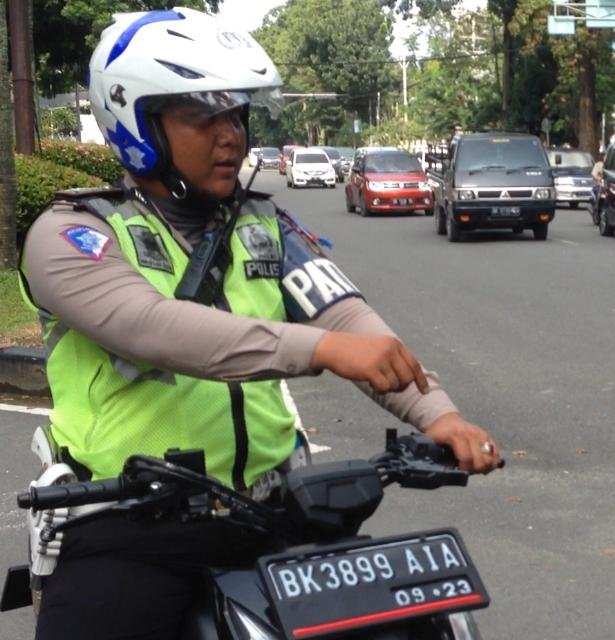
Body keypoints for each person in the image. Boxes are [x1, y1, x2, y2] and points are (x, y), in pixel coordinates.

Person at [19, 9, 500, 638]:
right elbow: (154, 327)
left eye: (237, 114)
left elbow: (349, 319)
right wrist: (322, 349)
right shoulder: (74, 235)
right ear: (138, 121)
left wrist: (440, 415)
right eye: (202, 115)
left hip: (271, 511)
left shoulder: (266, 226)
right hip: (129, 528)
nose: (232, 137)